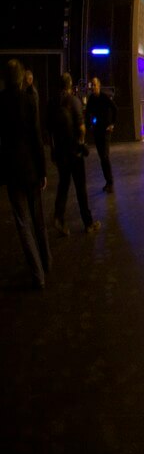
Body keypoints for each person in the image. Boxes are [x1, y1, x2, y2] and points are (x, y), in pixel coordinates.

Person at [2, 60, 52, 289]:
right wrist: (43, 171)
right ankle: (47, 262)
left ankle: (37, 275)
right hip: (32, 170)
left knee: (23, 224)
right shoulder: (29, 100)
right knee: (38, 219)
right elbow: (36, 139)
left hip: (12, 173)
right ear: (23, 78)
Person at [51, 72, 99, 236]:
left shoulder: (54, 103)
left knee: (63, 186)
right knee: (81, 189)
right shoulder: (74, 101)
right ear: (70, 84)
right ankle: (88, 223)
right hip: (74, 152)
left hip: (60, 151)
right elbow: (81, 127)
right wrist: (82, 143)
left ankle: (58, 217)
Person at [85, 76, 116, 193]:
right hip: (97, 131)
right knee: (102, 157)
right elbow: (88, 113)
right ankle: (108, 182)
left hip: (105, 131)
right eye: (91, 85)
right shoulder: (91, 99)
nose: (92, 87)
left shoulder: (104, 97)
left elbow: (115, 109)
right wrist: (90, 125)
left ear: (99, 85)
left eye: (94, 85)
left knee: (104, 156)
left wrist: (112, 124)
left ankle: (110, 182)